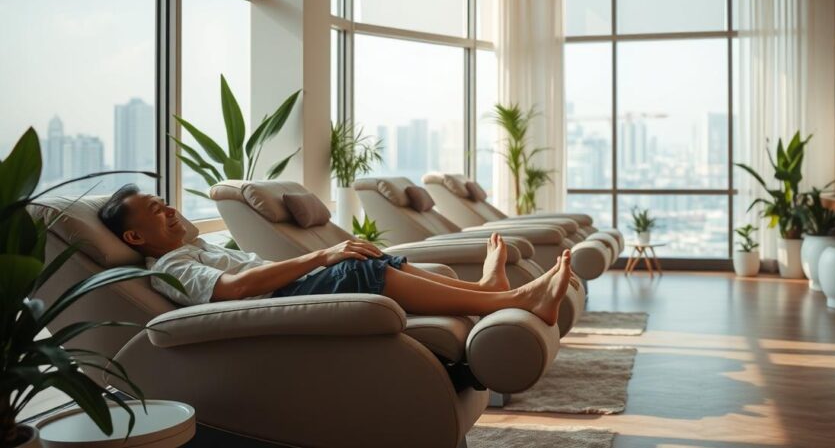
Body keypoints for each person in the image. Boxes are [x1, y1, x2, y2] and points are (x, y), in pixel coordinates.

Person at [98, 184, 571, 326]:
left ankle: (488, 290)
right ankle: (516, 299)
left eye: (166, 202)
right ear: (135, 238)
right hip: (278, 305)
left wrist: (327, 257)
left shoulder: (195, 248)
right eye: (156, 211)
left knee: (362, 260)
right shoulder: (171, 266)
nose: (170, 210)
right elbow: (235, 289)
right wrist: (319, 257)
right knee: (354, 266)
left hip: (289, 288)